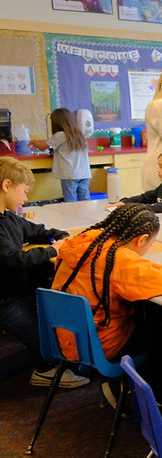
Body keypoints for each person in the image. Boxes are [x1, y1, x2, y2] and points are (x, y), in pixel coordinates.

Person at [53, 204, 162, 372]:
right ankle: (125, 385)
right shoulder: (118, 259)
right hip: (101, 343)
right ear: (141, 240)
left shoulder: (82, 242)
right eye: (150, 244)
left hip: (66, 336)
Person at [0, 157, 86, 388]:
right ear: (6, 186)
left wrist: (60, 238)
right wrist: (51, 250)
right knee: (50, 345)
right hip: (6, 301)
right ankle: (45, 369)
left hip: (19, 293)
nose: (26, 199)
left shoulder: (9, 217)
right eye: (25, 192)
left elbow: (38, 232)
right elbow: (11, 260)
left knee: (53, 333)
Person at [29, 107, 90, 202]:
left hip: (69, 175)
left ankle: (72, 216)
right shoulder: (79, 134)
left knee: (70, 200)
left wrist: (33, 141)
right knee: (85, 199)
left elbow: (42, 147)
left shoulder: (60, 135)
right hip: (84, 173)